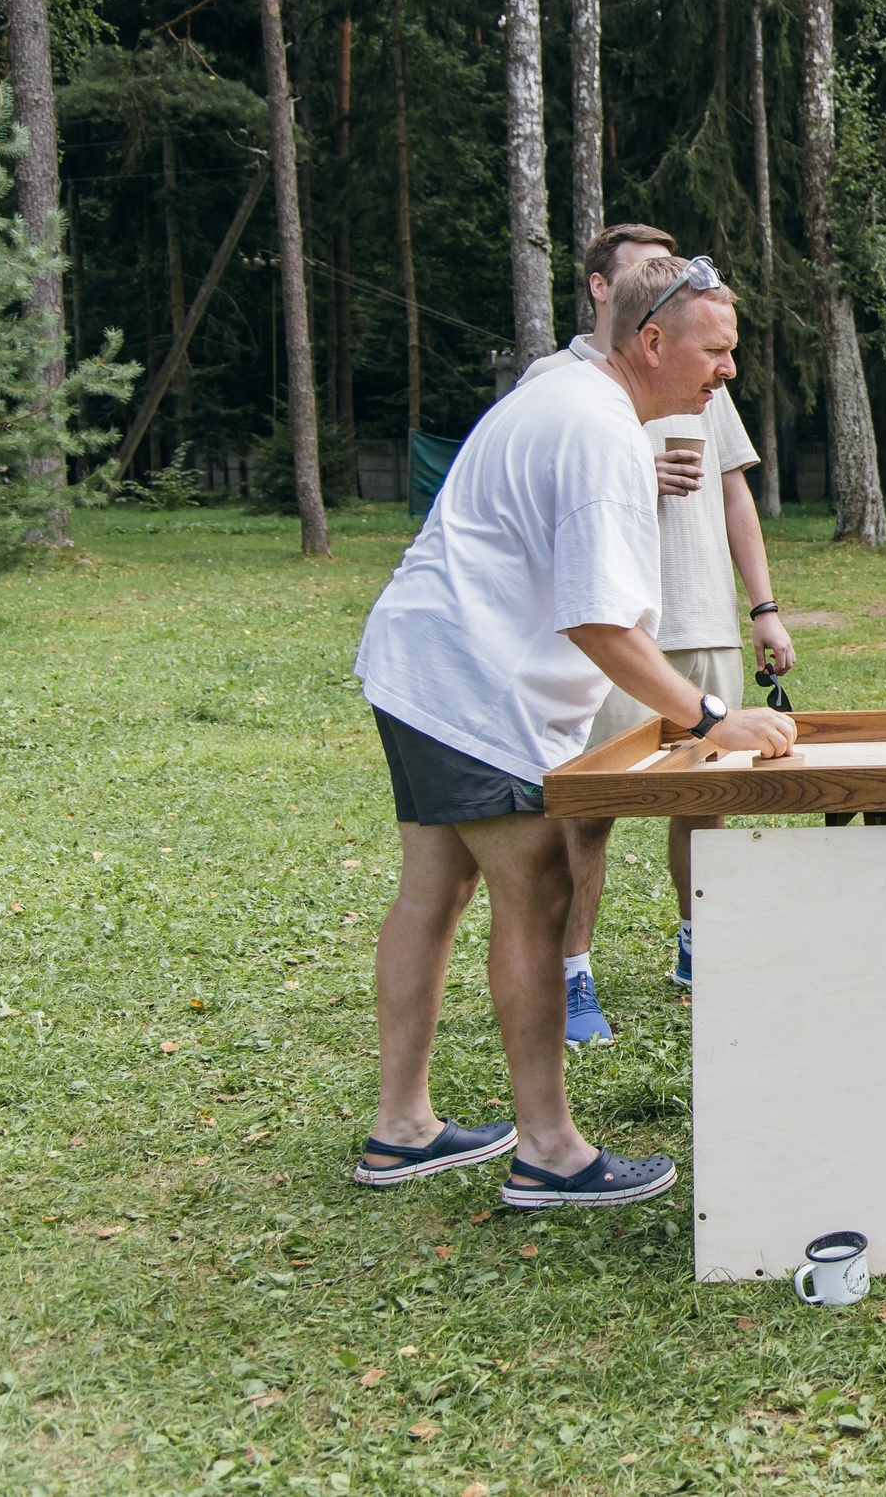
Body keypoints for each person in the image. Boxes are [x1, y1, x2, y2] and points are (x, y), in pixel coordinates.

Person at [351, 254, 795, 1210]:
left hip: (422, 666)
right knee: (538, 885)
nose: (728, 373)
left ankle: (402, 1129)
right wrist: (715, 717)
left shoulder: (570, 394)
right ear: (650, 344)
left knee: (434, 884)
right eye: (715, 353)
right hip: (471, 690)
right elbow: (601, 625)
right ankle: (548, 1148)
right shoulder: (598, 435)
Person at [520, 223, 796, 1039]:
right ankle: (573, 972)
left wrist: (762, 605)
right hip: (605, 632)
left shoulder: (703, 375)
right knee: (589, 806)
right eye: (651, 278)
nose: (669, 288)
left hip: (699, 613)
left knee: (704, 798)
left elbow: (735, 492)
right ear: (610, 293)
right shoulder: (562, 385)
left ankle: (697, 943)